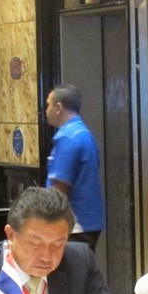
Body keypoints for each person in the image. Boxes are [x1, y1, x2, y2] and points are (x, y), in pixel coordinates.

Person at [45, 83, 105, 251]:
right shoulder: (83, 133)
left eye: (48, 105)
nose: (46, 110)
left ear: (58, 107)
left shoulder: (68, 137)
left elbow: (59, 189)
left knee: (69, 267)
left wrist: (46, 222)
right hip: (88, 221)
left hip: (73, 225)